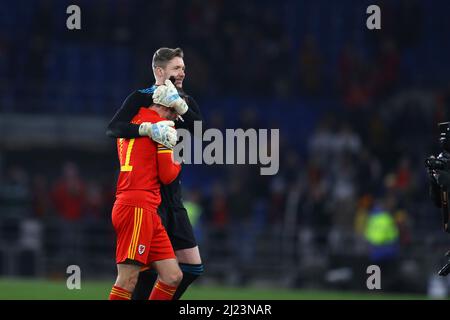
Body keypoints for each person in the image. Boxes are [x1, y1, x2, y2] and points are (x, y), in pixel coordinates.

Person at [106, 47, 203, 300]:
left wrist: (180, 106)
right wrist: (148, 129)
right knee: (138, 274)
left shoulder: (184, 103)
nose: (183, 72)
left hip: (167, 196)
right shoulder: (142, 100)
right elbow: (114, 128)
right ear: (160, 72)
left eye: (183, 67)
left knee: (184, 271)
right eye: (176, 68)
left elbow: (202, 132)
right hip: (146, 194)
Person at [109, 101, 183, 300]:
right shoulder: (162, 126)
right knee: (127, 279)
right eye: (175, 115)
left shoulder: (132, 122)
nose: (174, 120)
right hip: (138, 207)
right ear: (167, 108)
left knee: (172, 276)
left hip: (138, 205)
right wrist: (178, 163)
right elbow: (167, 175)